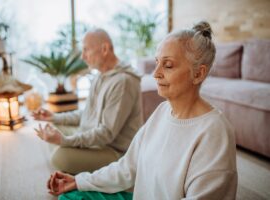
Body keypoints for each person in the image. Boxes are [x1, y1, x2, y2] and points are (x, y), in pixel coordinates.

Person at [46, 21, 238, 200]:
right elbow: (127, 167)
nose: (156, 73)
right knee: (71, 196)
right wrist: (78, 180)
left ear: (198, 73)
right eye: (157, 62)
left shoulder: (214, 132)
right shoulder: (163, 111)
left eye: (168, 65)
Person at [33, 28, 142, 174]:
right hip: (95, 140)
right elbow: (87, 113)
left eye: (86, 50)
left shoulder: (123, 82)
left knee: (60, 157)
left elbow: (106, 134)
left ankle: (69, 155)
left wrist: (65, 141)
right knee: (54, 125)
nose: (83, 57)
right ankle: (70, 150)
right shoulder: (100, 75)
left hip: (115, 152)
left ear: (104, 49)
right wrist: (54, 116)